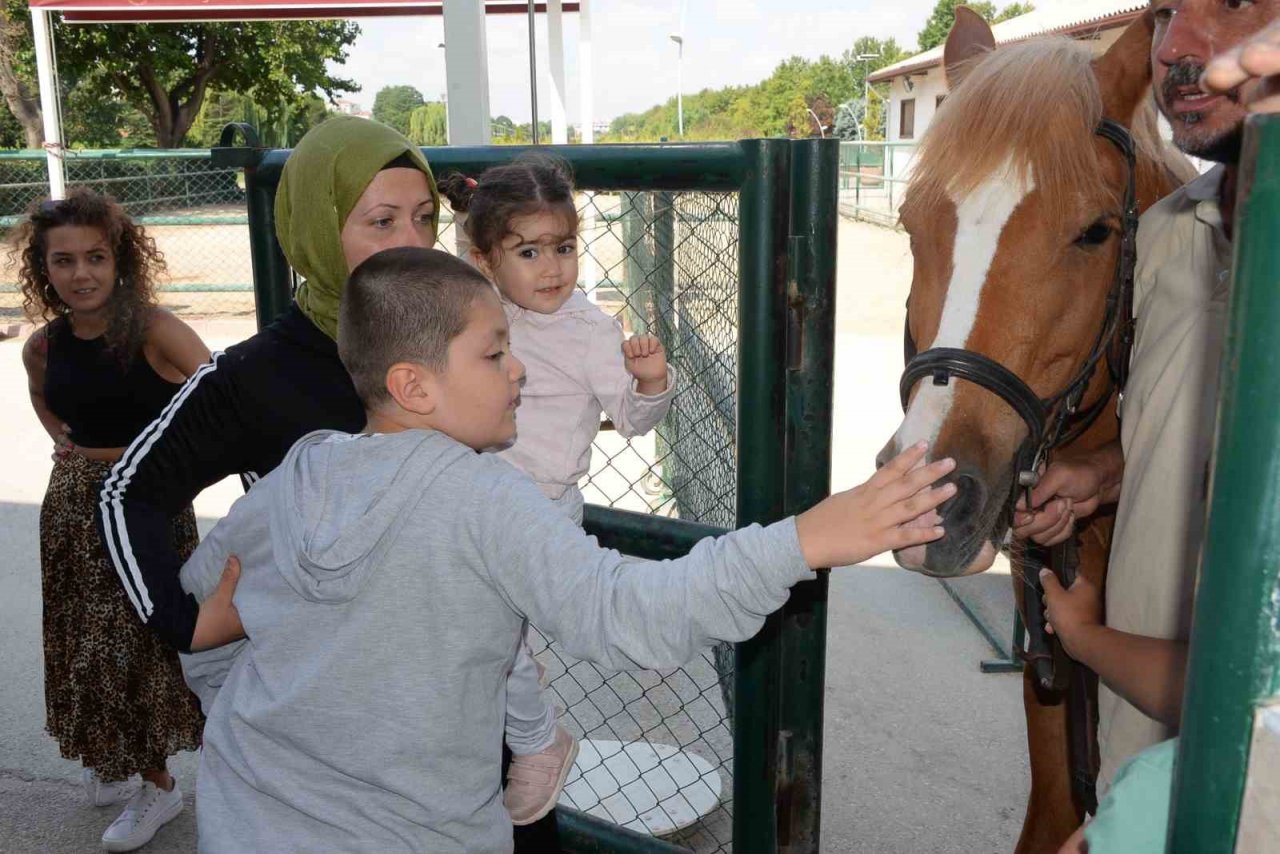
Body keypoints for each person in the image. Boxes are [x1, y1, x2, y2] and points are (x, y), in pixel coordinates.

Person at [178, 246, 957, 853]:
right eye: (493, 354)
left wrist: (225, 698)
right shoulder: (483, 497)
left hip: (247, 813)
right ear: (415, 387)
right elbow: (630, 613)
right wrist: (809, 538)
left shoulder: (294, 476)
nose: (518, 369)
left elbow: (205, 611)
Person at [97, 115, 561, 846]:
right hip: (334, 727)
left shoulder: (466, 336)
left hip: (462, 702)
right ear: (317, 229)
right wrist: (183, 623)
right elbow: (130, 491)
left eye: (422, 218)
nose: (410, 242)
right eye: (380, 221)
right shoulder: (257, 375)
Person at [1053, 18, 1280, 854]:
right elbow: (1201, 422)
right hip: (1135, 755)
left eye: (1234, 0)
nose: (1178, 44)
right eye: (1162, 13)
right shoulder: (1163, 231)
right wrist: (1107, 474)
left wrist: (1083, 639)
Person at [438, 156, 678, 823]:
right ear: (486, 260)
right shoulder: (471, 309)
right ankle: (501, 719)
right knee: (473, 636)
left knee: (502, 639)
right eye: (530, 251)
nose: (553, 268)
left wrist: (651, 382)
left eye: (565, 248)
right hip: (467, 497)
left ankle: (540, 741)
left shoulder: (589, 330)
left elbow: (631, 419)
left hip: (540, 509)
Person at [17, 189, 211, 851]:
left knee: (135, 649)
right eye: (63, 261)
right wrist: (68, 443)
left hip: (143, 507)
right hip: (71, 510)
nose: (81, 274)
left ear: (119, 258)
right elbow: (45, 399)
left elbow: (215, 401)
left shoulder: (154, 330)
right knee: (82, 643)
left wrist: (122, 455)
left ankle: (158, 785)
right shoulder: (43, 343)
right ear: (45, 268)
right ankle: (110, 754)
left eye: (95, 257)